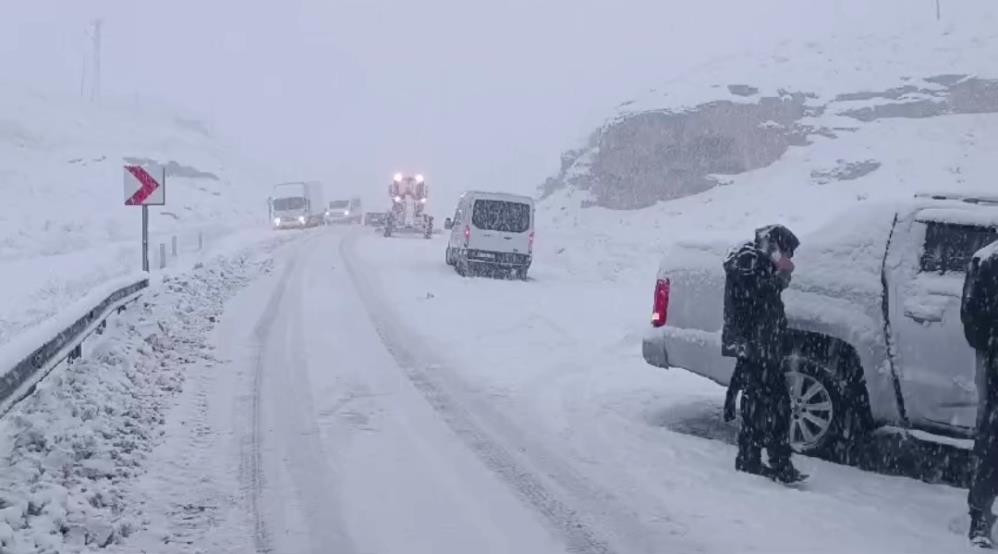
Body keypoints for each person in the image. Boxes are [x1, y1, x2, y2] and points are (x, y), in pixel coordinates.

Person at [721, 224, 805, 483]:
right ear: (776, 247)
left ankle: (751, 459)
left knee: (758, 407)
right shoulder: (750, 262)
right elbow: (755, 300)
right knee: (775, 408)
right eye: (787, 254)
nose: (789, 260)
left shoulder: (755, 262)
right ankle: (776, 464)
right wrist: (778, 279)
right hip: (758, 350)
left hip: (760, 348)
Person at [961, 239, 998, 548]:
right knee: (990, 441)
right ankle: (981, 518)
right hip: (995, 365)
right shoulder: (986, 261)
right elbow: (972, 320)